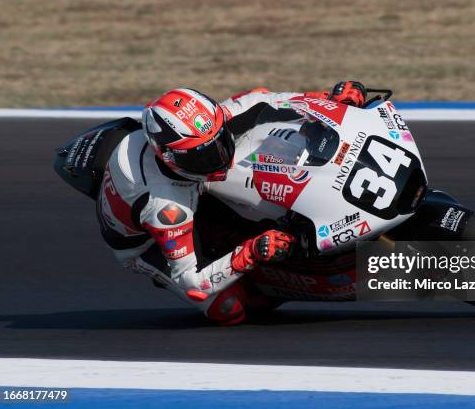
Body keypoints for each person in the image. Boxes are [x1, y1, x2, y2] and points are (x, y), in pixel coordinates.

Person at [96, 81, 367, 325]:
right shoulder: (166, 207)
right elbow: (192, 281)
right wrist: (251, 252)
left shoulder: (208, 125)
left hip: (190, 186)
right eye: (202, 157)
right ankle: (266, 285)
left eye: (219, 142)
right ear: (169, 157)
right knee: (230, 309)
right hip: (147, 244)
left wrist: (328, 99)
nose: (219, 158)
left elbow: (265, 98)